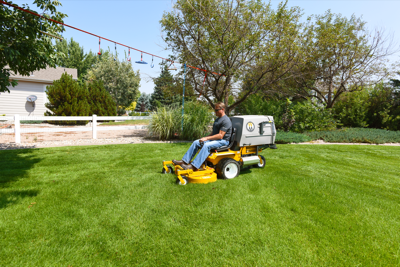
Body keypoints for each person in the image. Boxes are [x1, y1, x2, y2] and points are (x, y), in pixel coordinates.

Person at [173, 102, 232, 171]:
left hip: (223, 141)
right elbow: (214, 132)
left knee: (207, 145)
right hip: (216, 139)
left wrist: (207, 138)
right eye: (214, 110)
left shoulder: (226, 120)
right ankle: (185, 161)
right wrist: (205, 137)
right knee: (196, 142)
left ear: (222, 109)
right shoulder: (217, 119)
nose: (215, 112)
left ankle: (194, 166)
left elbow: (220, 135)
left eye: (216, 110)